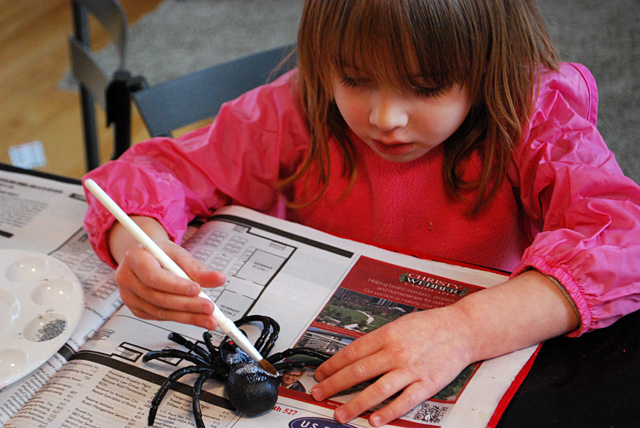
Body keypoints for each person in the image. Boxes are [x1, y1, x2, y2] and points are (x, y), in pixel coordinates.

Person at [82, 0, 640, 426]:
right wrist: (139, 247)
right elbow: (152, 172)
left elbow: (623, 238)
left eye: (425, 86)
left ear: (488, 64)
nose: (385, 117)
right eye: (355, 79)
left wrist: (468, 330)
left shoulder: (531, 114)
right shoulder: (298, 109)